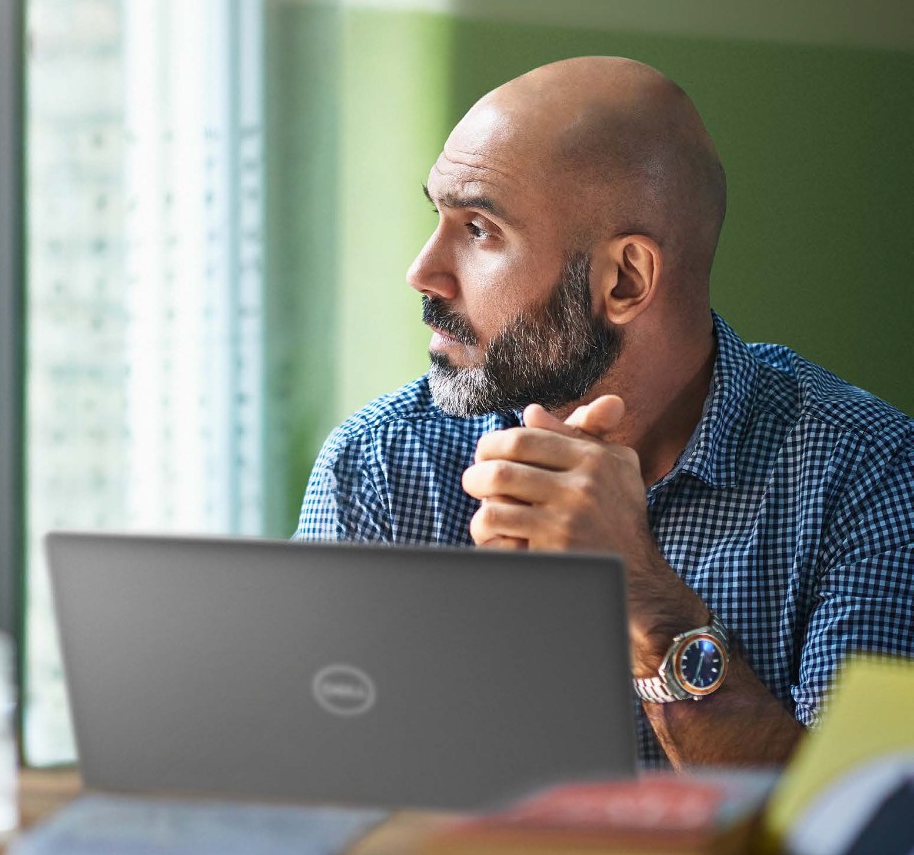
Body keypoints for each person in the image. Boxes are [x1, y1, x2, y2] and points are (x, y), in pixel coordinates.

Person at [295, 56, 914, 769]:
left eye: (480, 230)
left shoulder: (870, 479)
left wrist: (648, 601)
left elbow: (844, 841)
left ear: (624, 280)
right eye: (437, 216)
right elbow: (309, 800)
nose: (423, 271)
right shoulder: (381, 465)